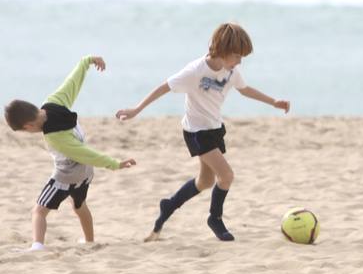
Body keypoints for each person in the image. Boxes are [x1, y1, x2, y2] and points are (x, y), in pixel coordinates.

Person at [115, 22, 289, 242]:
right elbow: (164, 87)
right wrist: (136, 109)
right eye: (237, 55)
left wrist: (273, 102)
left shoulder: (232, 70)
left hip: (215, 128)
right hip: (196, 131)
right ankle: (214, 218)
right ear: (223, 51)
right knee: (226, 175)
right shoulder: (195, 71)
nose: (240, 61)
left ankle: (169, 204)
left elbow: (245, 89)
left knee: (205, 181)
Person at [4, 55, 137, 251]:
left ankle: (37, 246)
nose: (30, 133)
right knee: (79, 206)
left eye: (26, 131)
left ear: (29, 125)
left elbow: (84, 153)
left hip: (66, 176)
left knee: (39, 211)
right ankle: (89, 241)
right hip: (85, 174)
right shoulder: (54, 102)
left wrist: (115, 164)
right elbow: (72, 83)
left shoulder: (55, 137)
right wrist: (87, 62)